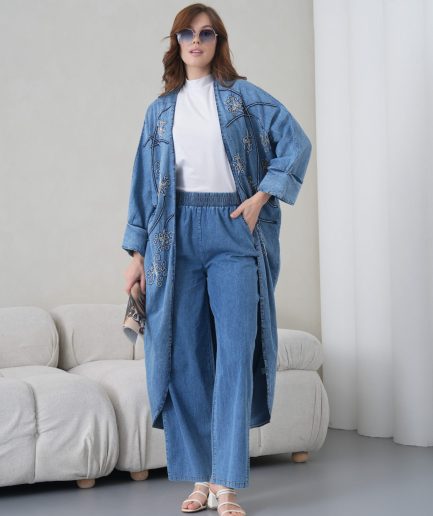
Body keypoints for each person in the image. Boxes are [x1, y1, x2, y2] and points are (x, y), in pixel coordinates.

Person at [122, 4, 312, 515]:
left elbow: (295, 142)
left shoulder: (244, 97)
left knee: (234, 355)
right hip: (174, 235)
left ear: (217, 42)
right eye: (187, 33)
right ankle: (200, 479)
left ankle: (226, 484)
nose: (196, 41)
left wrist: (261, 198)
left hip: (232, 230)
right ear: (176, 42)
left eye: (206, 33)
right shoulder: (160, 111)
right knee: (186, 357)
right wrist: (137, 254)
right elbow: (144, 186)